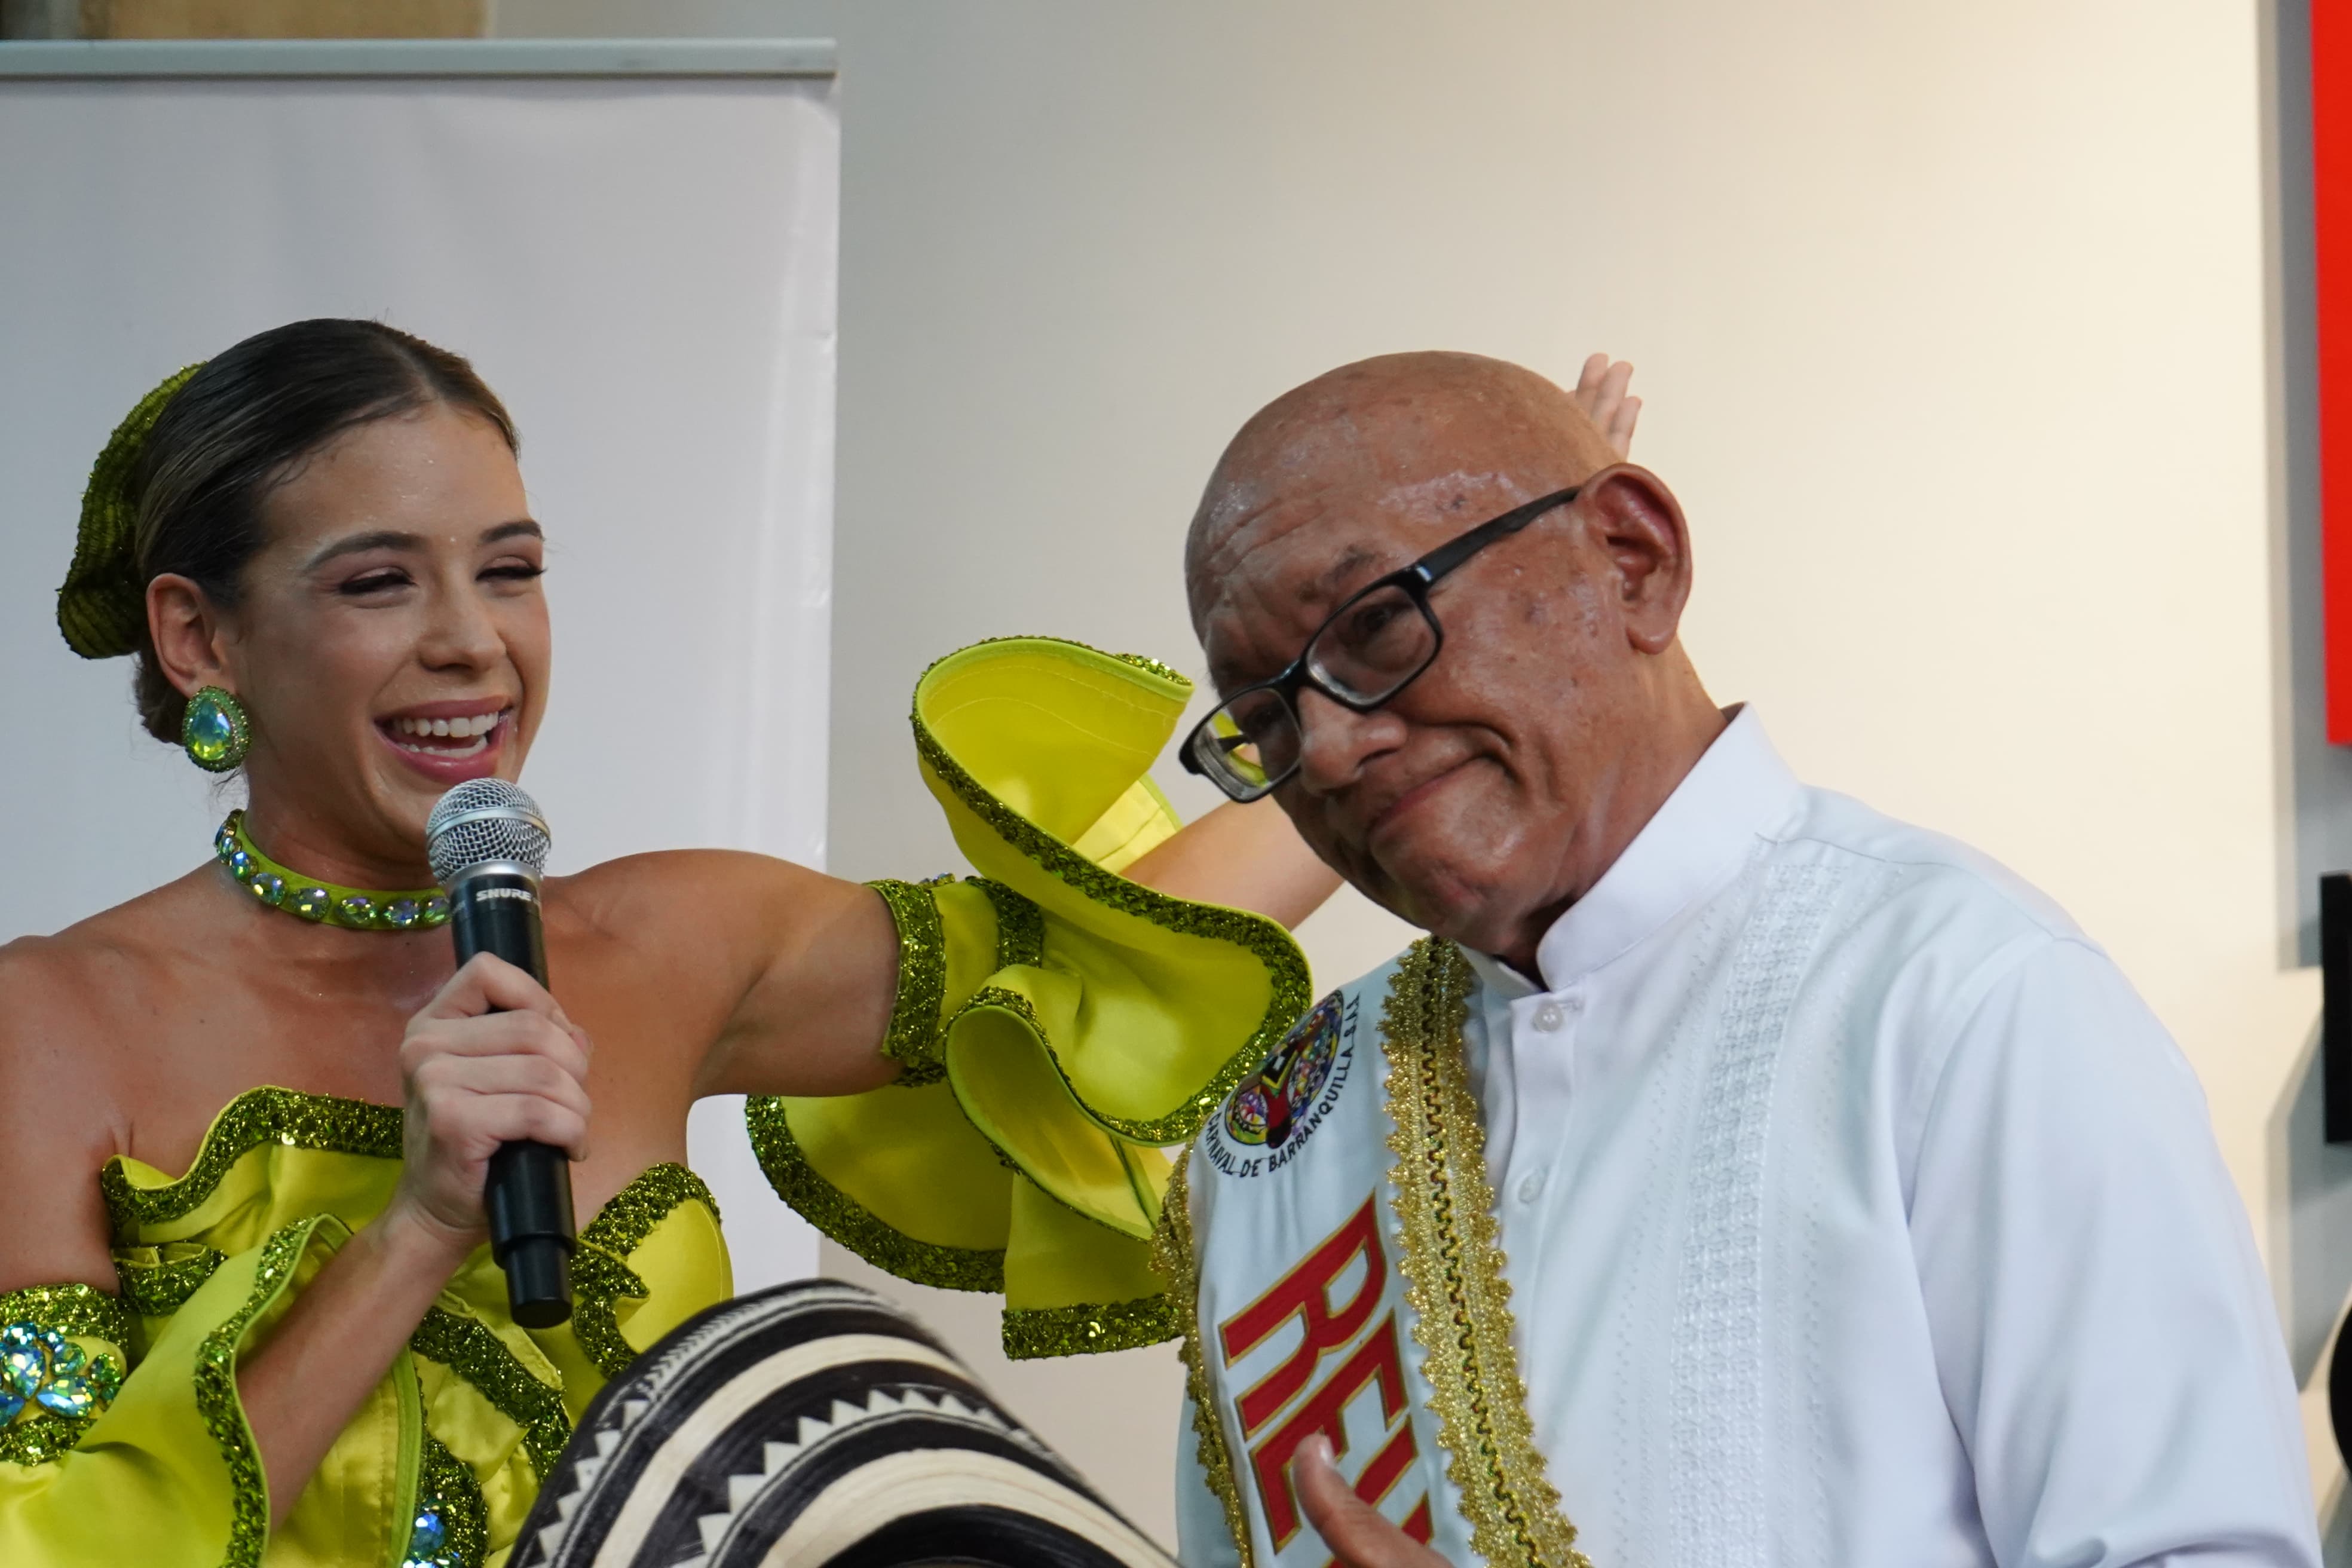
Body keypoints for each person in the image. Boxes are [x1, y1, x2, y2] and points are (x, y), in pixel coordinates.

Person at [0, 316, 1461, 1567]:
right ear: (198, 639)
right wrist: (417, 1229)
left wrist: (1395, 690)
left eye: (508, 571)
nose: (472, 642)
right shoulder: (52, 1025)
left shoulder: (664, 941)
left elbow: (1098, 960)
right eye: (379, 583)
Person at [1150, 351, 2320, 1566]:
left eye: (1380, 624)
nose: (1330, 751)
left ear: (1634, 559)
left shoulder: (1959, 998)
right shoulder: (1278, 1144)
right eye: (1270, 717)